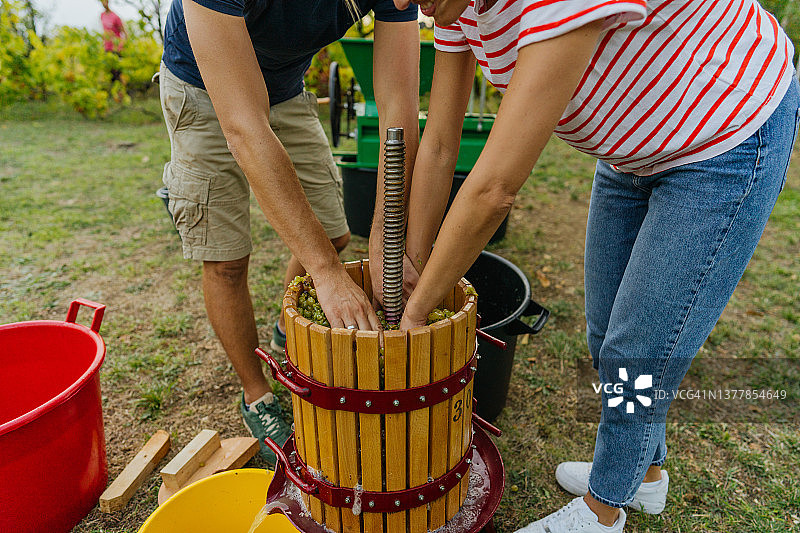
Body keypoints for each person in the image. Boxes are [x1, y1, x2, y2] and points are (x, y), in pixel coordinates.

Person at [392, 0, 798, 531]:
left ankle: (606, 509)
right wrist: (415, 263)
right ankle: (646, 475)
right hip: (633, 144)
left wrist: (416, 314)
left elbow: (493, 189)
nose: (401, 2)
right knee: (606, 330)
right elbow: (442, 145)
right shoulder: (453, 7)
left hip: (723, 136)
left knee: (641, 347)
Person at [160, 0, 420, 464]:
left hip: (285, 92)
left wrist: (385, 240)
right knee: (226, 259)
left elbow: (398, 109)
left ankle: (288, 329)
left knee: (334, 234)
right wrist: (325, 272)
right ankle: (256, 394)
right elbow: (243, 126)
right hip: (201, 88)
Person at [100, 0, 126, 82]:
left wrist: (122, 45)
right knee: (110, 73)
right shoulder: (102, 15)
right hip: (107, 47)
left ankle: (121, 92)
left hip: (116, 48)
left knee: (118, 72)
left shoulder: (115, 17)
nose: (104, 4)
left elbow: (123, 32)